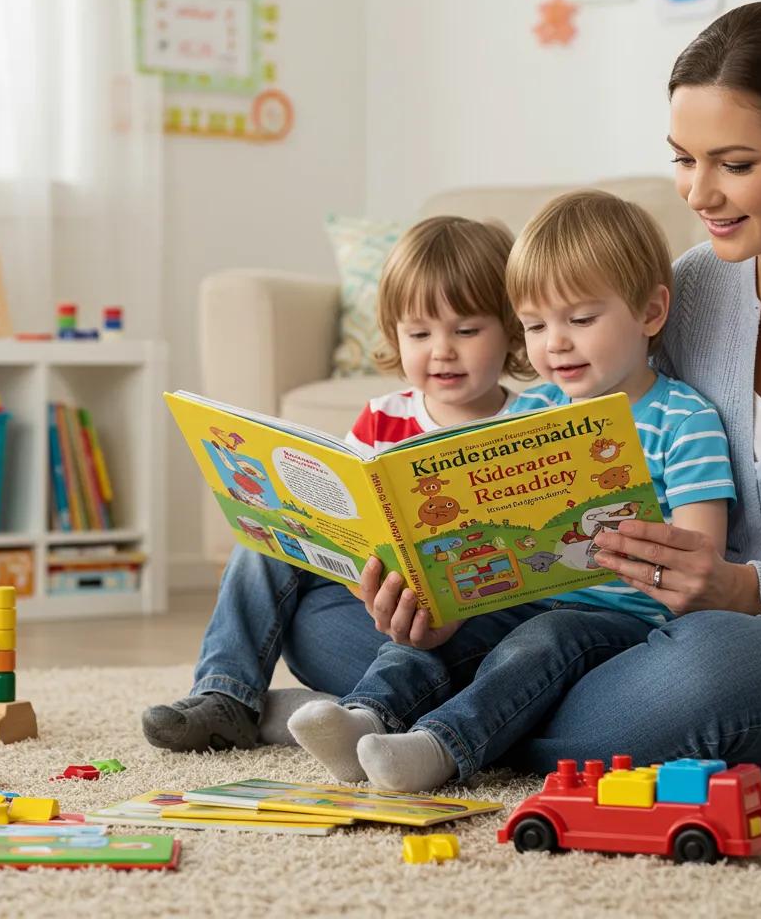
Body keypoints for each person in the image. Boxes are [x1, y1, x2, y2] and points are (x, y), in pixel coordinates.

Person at [347, 1, 761, 785]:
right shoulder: (694, 289)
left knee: (705, 674)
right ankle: (462, 705)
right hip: (629, 620)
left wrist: (747, 589)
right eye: (683, 158)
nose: (698, 194)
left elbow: (715, 590)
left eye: (735, 164)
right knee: (346, 615)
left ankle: (465, 716)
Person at [288, 190, 737, 791]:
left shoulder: (684, 419)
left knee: (547, 637)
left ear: (651, 312)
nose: (555, 342)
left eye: (581, 320)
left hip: (621, 621)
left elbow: (698, 566)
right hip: (519, 596)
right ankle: (366, 716)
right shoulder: (530, 411)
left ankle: (440, 746)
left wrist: (621, 547)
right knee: (438, 629)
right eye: (533, 325)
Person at [142, 215, 535, 752]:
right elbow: (347, 525)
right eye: (419, 333)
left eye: (466, 330)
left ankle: (348, 715)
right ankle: (227, 696)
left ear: (511, 329)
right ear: (395, 333)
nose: (441, 350)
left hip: (472, 635)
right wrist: (353, 570)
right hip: (376, 608)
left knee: (440, 654)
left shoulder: (530, 425)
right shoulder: (382, 418)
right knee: (263, 539)